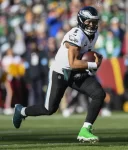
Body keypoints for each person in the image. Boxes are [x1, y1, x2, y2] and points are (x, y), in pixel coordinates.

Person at [12, 6, 106, 142]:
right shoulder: (76, 34)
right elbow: (73, 62)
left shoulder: (95, 34)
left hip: (75, 73)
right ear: (81, 21)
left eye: (94, 22)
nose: (92, 25)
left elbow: (83, 57)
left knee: (99, 94)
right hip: (61, 72)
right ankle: (21, 111)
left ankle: (85, 130)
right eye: (88, 22)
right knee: (49, 109)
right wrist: (92, 65)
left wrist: (92, 62)